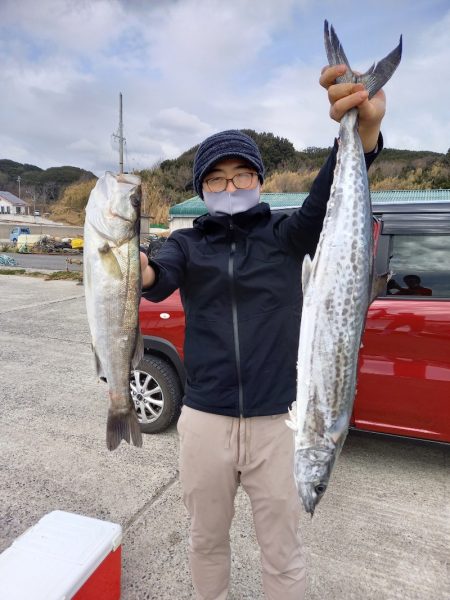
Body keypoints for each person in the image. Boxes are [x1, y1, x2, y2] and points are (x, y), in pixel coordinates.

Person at [140, 64, 386, 600]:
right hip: (206, 419)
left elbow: (330, 198)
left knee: (283, 551)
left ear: (258, 180)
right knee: (206, 541)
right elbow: (155, 280)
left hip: (281, 424)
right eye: (216, 179)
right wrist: (130, 265)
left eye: (241, 175)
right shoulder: (186, 245)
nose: (230, 187)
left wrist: (361, 133)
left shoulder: (285, 233)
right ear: (202, 189)